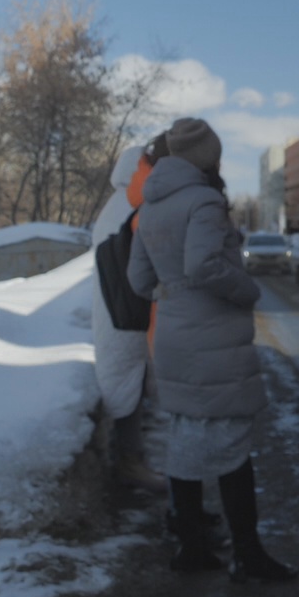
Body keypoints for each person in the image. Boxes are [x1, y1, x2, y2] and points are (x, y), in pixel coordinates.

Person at [127, 117, 297, 583]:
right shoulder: (203, 201)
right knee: (231, 445)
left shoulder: (151, 205)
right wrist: (247, 290)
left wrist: (174, 295)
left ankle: (192, 549)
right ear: (207, 158)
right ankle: (248, 556)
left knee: (186, 441)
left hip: (175, 339)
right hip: (212, 338)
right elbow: (204, 265)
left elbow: (139, 281)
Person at [91, 140, 166, 493]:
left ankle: (130, 460)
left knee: (126, 381)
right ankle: (129, 464)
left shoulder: (115, 205)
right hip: (126, 313)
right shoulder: (130, 206)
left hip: (116, 310)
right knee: (127, 384)